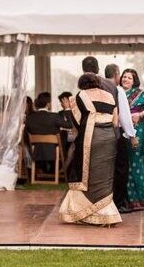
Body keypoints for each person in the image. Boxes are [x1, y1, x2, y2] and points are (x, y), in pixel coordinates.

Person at [59, 73, 122, 226]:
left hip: (91, 137)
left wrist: (68, 110)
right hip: (109, 138)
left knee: (87, 173)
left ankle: (82, 212)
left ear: (82, 84)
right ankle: (106, 213)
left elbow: (77, 122)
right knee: (105, 175)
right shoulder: (109, 95)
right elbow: (115, 122)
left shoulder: (80, 96)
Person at [121, 68, 144, 211]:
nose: (126, 80)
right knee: (123, 164)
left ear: (134, 80)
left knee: (135, 163)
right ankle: (124, 198)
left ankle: (138, 198)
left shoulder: (140, 94)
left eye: (129, 78)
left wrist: (140, 115)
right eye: (124, 77)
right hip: (120, 131)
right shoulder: (118, 92)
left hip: (136, 132)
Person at [105, 63, 137, 213]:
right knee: (121, 168)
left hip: (100, 133)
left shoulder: (98, 88)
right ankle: (119, 202)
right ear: (117, 75)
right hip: (116, 134)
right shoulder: (117, 90)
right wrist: (132, 135)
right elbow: (124, 115)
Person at [25, 92, 69, 176]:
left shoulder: (30, 117)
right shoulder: (54, 116)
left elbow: (26, 132)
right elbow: (69, 125)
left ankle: (41, 169)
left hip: (36, 151)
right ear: (48, 104)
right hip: (54, 152)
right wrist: (67, 109)